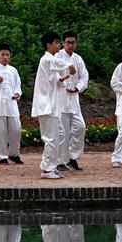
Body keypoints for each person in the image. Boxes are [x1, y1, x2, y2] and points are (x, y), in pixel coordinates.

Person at [31, 31, 77, 180]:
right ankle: (47, 169)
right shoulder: (46, 59)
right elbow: (57, 64)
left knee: (61, 135)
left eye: (59, 42)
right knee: (51, 138)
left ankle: (52, 165)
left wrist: (62, 79)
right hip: (46, 105)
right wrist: (69, 65)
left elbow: (55, 82)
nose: (59, 45)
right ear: (48, 45)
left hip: (52, 105)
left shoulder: (51, 61)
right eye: (56, 43)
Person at [56, 30, 88, 171]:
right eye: (68, 42)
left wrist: (77, 88)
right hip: (61, 99)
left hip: (74, 100)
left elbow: (84, 78)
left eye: (73, 42)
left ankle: (72, 157)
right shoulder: (57, 57)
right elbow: (53, 76)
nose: (70, 45)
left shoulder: (78, 59)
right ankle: (61, 161)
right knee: (63, 132)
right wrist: (63, 84)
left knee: (80, 127)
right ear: (64, 43)